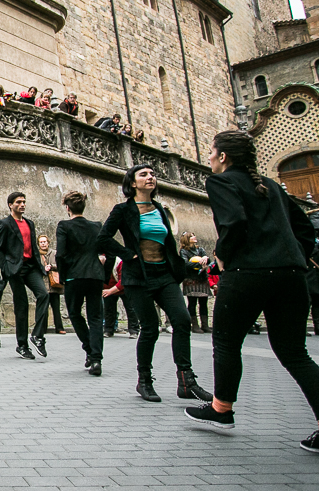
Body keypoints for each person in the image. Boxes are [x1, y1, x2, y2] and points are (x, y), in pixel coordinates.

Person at [186, 130, 319, 457]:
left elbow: (233, 222)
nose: (209, 156)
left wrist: (224, 255)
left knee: (225, 341)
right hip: (292, 275)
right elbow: (306, 231)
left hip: (247, 273)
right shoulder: (273, 186)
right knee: (295, 353)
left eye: (211, 151)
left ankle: (221, 409)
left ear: (223, 156)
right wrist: (292, 257)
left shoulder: (221, 181)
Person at [98, 164, 212, 403]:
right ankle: (145, 380)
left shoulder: (159, 208)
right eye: (144, 175)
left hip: (164, 275)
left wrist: (181, 268)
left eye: (152, 174)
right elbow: (103, 239)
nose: (150, 177)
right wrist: (128, 255)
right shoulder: (123, 209)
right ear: (132, 183)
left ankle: (186, 380)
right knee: (149, 328)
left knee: (181, 320)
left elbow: (169, 243)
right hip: (138, 276)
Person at [0, 192, 49, 360]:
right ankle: (22, 345)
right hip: (15, 269)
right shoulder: (4, 224)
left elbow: (33, 245)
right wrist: (7, 268)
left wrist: (40, 267)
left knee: (44, 294)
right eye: (18, 202)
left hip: (31, 266)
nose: (22, 205)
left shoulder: (29, 223)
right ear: (10, 205)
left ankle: (38, 335)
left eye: (24, 202)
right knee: (22, 306)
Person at [56, 191, 106, 375]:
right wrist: (103, 272)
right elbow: (106, 251)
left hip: (74, 276)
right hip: (95, 276)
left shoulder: (64, 226)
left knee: (75, 314)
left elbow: (60, 254)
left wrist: (62, 275)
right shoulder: (96, 226)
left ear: (67, 208)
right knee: (95, 318)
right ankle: (96, 359)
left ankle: (89, 350)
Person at [178, 232, 212, 333]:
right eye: (192, 236)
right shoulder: (183, 251)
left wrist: (206, 259)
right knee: (192, 303)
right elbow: (185, 264)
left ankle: (205, 325)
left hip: (202, 278)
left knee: (203, 303)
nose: (194, 237)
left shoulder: (200, 249)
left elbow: (207, 260)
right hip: (190, 279)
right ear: (187, 239)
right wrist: (199, 263)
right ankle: (194, 325)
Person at [37, 235, 66, 334]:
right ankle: (42, 328)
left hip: (54, 285)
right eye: (41, 242)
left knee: (56, 308)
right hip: (42, 285)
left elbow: (62, 265)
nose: (43, 243)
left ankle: (59, 328)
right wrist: (42, 269)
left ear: (48, 243)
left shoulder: (54, 253)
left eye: (45, 241)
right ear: (38, 244)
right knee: (43, 309)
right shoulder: (36, 254)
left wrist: (52, 266)